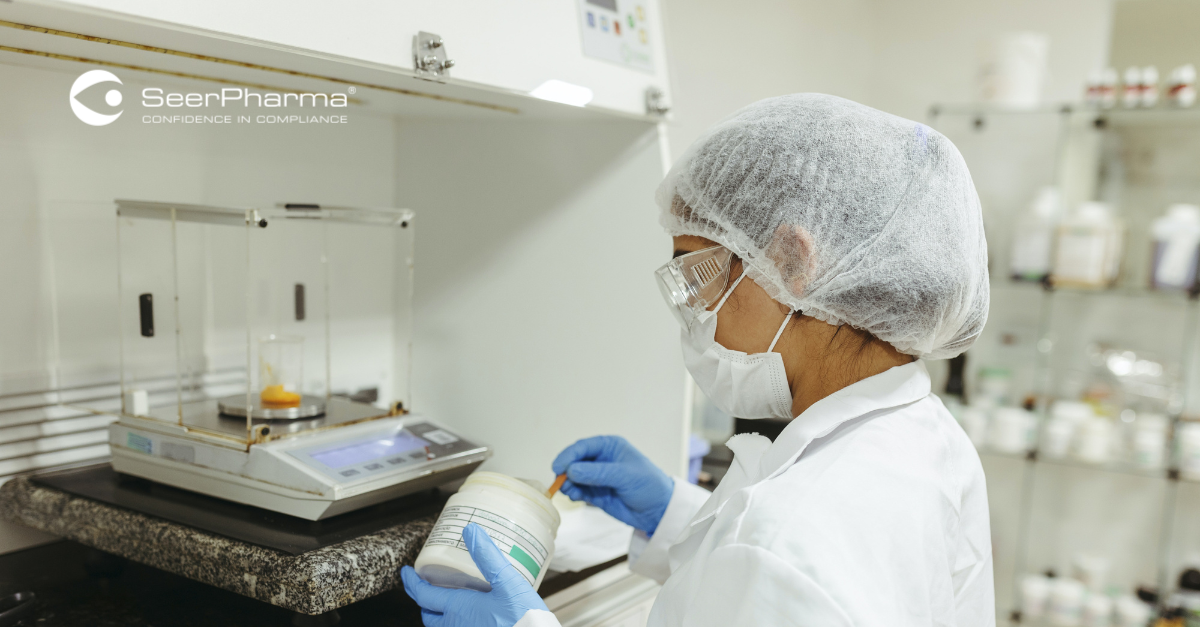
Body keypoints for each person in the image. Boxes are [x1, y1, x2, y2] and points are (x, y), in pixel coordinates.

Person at [401, 93, 994, 626]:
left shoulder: (791, 539)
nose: (692, 308)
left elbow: (776, 565)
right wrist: (675, 514)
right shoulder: (924, 437)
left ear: (792, 260)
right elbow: (751, 591)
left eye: (697, 270)